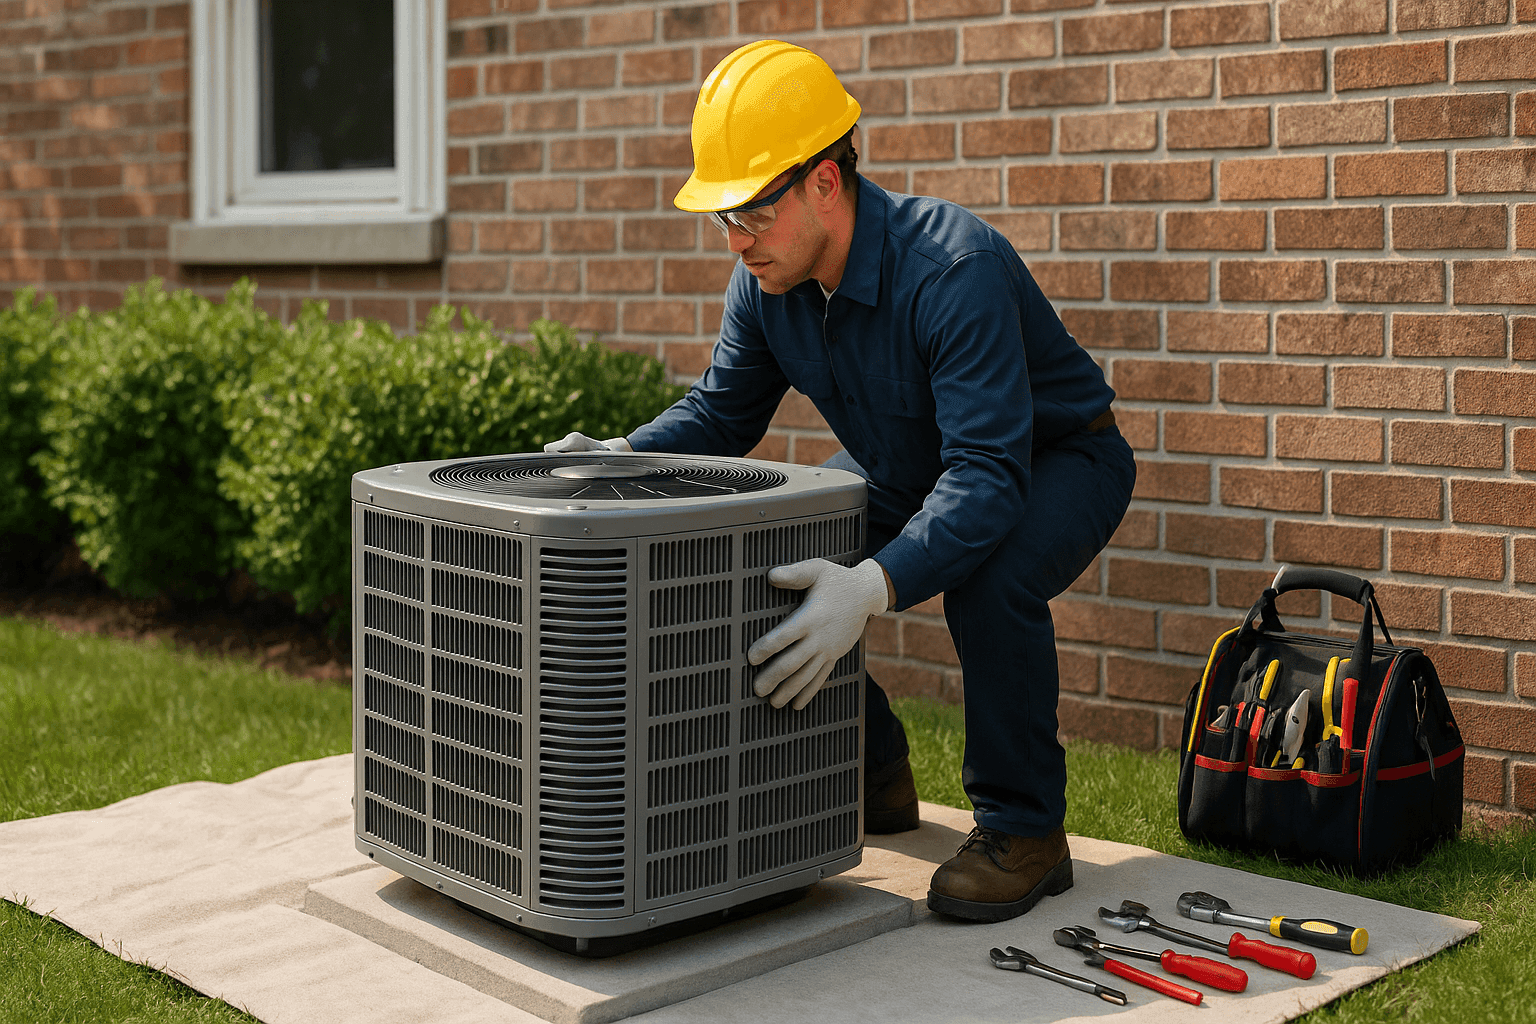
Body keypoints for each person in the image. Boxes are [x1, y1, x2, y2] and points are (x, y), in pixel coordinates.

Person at [545, 39, 1135, 924]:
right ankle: (871, 774)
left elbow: (984, 478)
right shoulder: (767, 281)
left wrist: (871, 586)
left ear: (825, 181)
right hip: (908, 465)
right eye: (724, 218)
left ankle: (1025, 832)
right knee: (774, 555)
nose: (737, 240)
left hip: (1054, 459)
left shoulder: (952, 272)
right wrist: (625, 458)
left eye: (752, 212)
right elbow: (720, 415)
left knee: (991, 579)